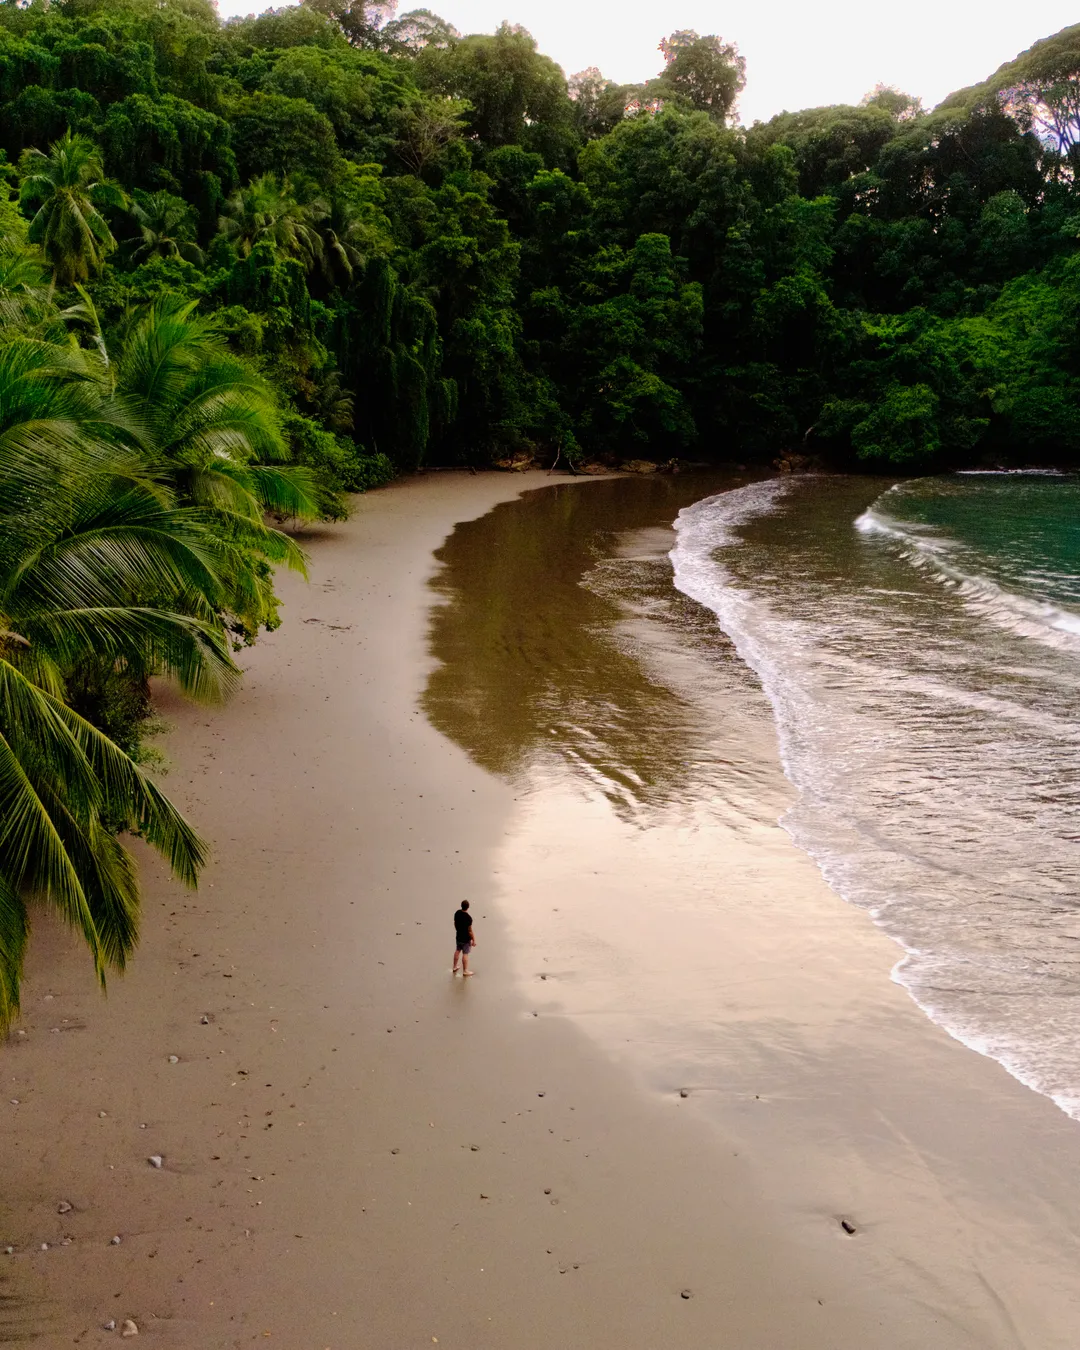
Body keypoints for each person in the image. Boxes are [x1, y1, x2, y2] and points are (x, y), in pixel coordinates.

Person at [452, 900, 476, 976]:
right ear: (468, 907)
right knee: (465, 953)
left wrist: (457, 930)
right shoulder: (469, 918)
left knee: (457, 950)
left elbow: (455, 923)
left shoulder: (457, 913)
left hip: (458, 936)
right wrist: (473, 940)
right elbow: (470, 931)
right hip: (466, 939)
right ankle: (465, 971)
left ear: (461, 905)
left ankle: (454, 967)